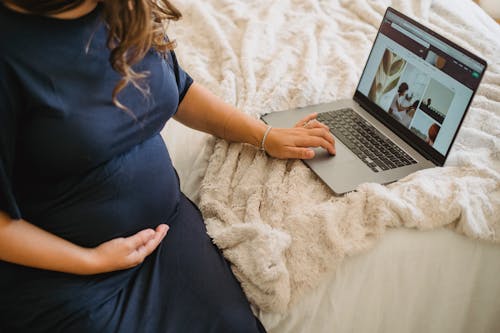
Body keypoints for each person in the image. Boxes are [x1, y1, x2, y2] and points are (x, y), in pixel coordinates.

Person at [0, 1, 336, 332]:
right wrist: (91, 260)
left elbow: (176, 86)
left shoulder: (123, 7)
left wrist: (264, 136)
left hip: (168, 233)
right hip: (66, 278)